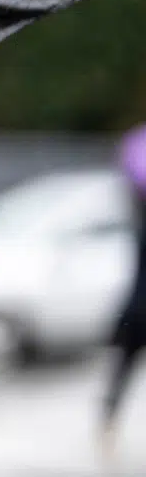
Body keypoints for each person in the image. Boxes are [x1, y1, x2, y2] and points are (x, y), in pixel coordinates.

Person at [102, 124, 146, 456]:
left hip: (135, 310)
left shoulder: (137, 223)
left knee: (122, 371)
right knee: (123, 370)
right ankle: (107, 426)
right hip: (138, 310)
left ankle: (106, 427)